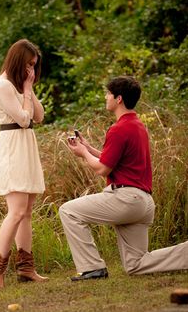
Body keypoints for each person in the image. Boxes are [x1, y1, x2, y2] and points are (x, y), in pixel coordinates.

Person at [59, 75, 188, 281]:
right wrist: (88, 147)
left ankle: (92, 268)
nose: (105, 97)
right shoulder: (137, 125)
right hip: (143, 203)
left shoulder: (118, 129)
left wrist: (83, 153)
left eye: (108, 93)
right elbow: (113, 160)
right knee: (136, 265)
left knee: (68, 211)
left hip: (126, 199)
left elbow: (102, 169)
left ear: (118, 98)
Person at [0, 39, 48, 289]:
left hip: (26, 147)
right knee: (15, 212)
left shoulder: (21, 86)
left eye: (34, 66)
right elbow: (24, 120)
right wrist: (26, 90)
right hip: (13, 148)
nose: (31, 71)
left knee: (26, 213)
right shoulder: (3, 86)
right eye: (29, 65)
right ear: (18, 61)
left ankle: (26, 268)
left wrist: (29, 88)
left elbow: (39, 116)